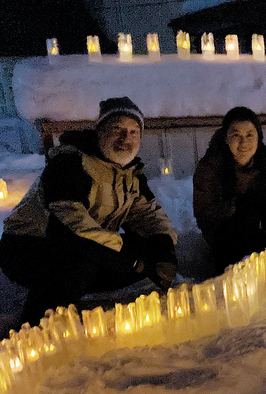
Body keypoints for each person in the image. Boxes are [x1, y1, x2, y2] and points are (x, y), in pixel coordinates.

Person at [0, 96, 178, 329]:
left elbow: (147, 214)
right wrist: (129, 259)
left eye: (134, 132)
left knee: (145, 252)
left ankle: (77, 289)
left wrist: (163, 247)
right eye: (118, 129)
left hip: (87, 247)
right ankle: (36, 328)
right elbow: (71, 226)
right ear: (100, 131)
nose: (126, 138)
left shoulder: (130, 173)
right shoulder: (71, 163)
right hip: (28, 248)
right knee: (80, 262)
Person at [193, 106, 266, 274]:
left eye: (249, 135)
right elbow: (203, 212)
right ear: (226, 138)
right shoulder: (210, 166)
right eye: (236, 135)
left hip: (262, 229)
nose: (244, 143)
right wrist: (236, 207)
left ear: (258, 137)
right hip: (227, 238)